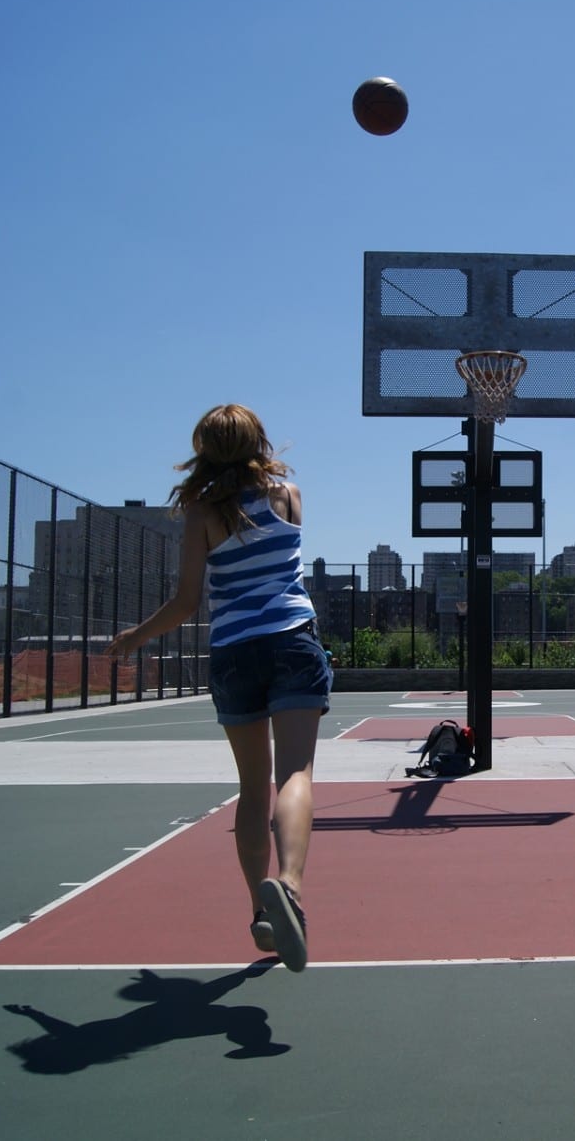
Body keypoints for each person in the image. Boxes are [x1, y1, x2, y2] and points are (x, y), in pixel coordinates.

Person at [106, 405, 332, 971]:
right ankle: (292, 888)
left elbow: (186, 604)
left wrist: (136, 636)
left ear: (204, 449)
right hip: (292, 639)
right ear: (258, 441)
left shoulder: (202, 513)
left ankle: (261, 910)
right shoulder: (289, 496)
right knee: (296, 774)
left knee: (253, 790)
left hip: (234, 650)